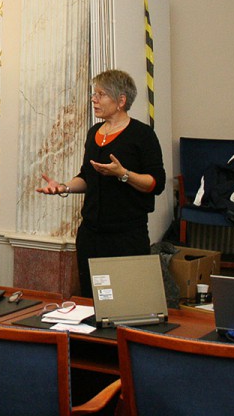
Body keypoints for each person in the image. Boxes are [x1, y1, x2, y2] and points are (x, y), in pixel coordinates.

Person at [36, 69, 166, 297]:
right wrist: (64, 187)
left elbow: (156, 183)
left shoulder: (142, 135)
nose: (94, 100)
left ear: (121, 101)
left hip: (126, 237)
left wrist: (123, 174)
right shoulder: (94, 132)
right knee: (92, 298)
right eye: (93, 94)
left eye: (101, 94)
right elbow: (87, 177)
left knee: (124, 300)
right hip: (91, 235)